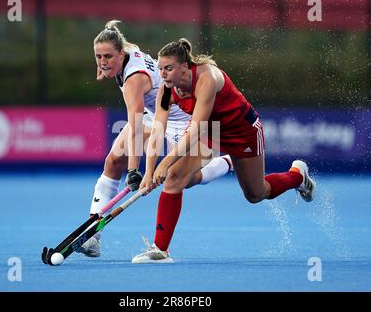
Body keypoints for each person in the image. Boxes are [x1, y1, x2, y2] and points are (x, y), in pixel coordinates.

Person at [132, 38, 316, 263]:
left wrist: (164, 163)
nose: (163, 74)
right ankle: (160, 250)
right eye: (160, 69)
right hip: (213, 131)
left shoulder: (207, 78)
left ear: (184, 66)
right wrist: (149, 171)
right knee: (175, 179)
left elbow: (195, 130)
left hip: (242, 131)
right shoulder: (167, 89)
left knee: (256, 194)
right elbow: (158, 130)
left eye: (168, 68)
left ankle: (297, 175)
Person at [77, 22, 234, 257]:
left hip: (186, 119)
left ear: (121, 54)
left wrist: (134, 171)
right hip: (159, 114)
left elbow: (136, 128)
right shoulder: (123, 49)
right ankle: (93, 237)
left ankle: (225, 163)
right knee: (112, 161)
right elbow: (116, 46)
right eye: (98, 57)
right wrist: (105, 67)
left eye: (108, 57)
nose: (102, 61)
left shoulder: (134, 80)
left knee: (183, 179)